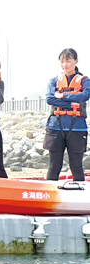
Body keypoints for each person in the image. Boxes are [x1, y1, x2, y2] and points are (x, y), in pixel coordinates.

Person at [45, 48, 90, 181]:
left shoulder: (84, 80)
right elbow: (50, 99)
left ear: (76, 61)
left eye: (68, 60)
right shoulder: (54, 81)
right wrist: (70, 104)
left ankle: (81, 197)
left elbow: (85, 95)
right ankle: (49, 196)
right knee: (54, 166)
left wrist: (63, 96)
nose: (65, 64)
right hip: (55, 127)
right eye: (62, 61)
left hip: (77, 128)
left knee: (76, 166)